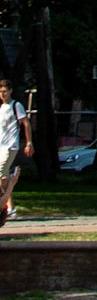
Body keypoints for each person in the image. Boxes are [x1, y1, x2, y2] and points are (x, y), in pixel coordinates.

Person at [0, 79, 33, 229]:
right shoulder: (2, 107)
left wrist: (28, 142)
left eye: (5, 91)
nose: (2, 94)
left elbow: (26, 123)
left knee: (1, 176)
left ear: (11, 91)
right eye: (0, 92)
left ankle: (6, 207)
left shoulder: (16, 106)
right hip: (0, 146)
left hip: (10, 147)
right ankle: (9, 207)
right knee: (4, 178)